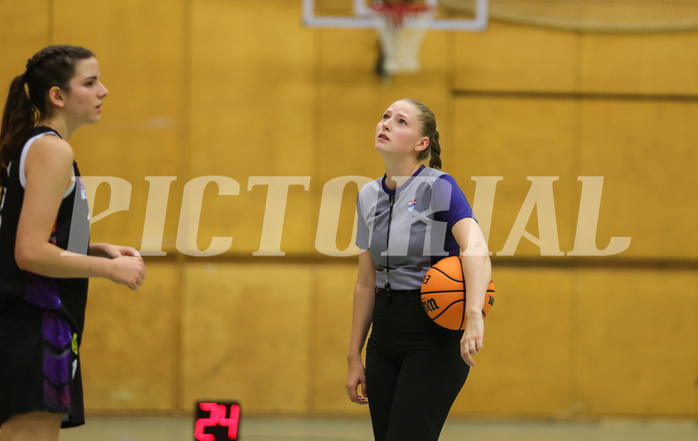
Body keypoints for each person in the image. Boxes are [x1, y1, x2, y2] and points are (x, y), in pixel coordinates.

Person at [0, 45, 146, 441]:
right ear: (58, 96)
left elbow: (38, 236)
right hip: (34, 325)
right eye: (90, 82)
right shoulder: (52, 149)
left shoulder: (40, 146)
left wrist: (96, 248)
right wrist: (110, 269)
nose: (104, 91)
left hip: (35, 322)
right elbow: (29, 252)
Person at [346, 99, 492, 441]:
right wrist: (354, 355)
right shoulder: (367, 195)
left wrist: (474, 314)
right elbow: (366, 282)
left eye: (400, 121)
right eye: (384, 117)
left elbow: (476, 249)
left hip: (432, 333)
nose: (385, 124)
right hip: (383, 336)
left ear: (420, 143)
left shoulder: (438, 187)